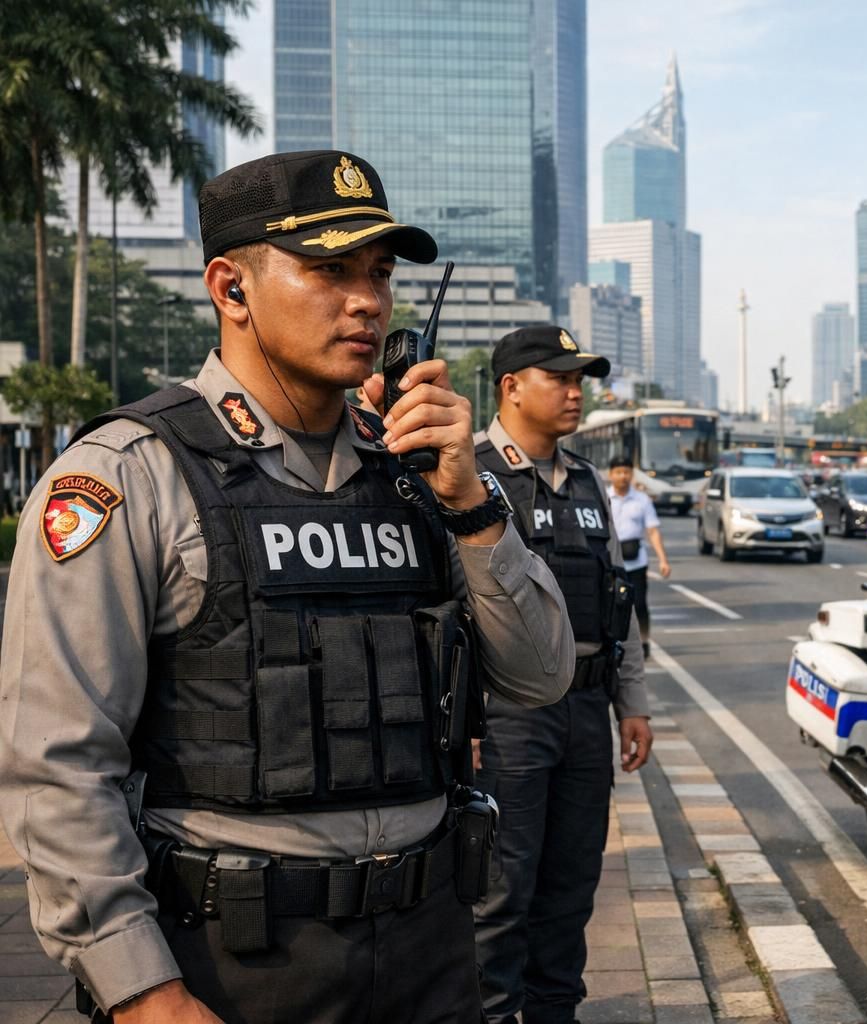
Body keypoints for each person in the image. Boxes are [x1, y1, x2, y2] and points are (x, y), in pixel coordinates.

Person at [0, 151, 575, 1024]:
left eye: (380, 274)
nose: (368, 300)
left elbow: (541, 676)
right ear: (231, 289)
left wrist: (470, 506)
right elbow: (57, 763)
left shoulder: (426, 477)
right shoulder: (130, 477)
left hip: (431, 952)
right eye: (330, 270)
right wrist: (143, 992)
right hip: (236, 966)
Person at [472, 326, 653, 1024]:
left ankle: (555, 1014)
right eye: (559, 378)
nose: (576, 392)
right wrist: (462, 727)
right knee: (502, 889)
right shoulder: (471, 474)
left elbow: (617, 601)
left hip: (584, 712)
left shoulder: (585, 480)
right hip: (508, 714)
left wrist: (630, 701)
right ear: (511, 387)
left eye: (581, 380)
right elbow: (448, 610)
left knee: (573, 884)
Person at [607, 453, 671, 658]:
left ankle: (644, 641)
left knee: (640, 604)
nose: (622, 476)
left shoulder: (642, 500)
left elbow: (653, 531)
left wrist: (663, 559)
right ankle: (612, 643)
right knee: (611, 604)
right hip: (611, 561)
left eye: (626, 472)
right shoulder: (603, 497)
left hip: (637, 562)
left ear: (632, 474)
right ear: (611, 474)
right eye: (618, 472)